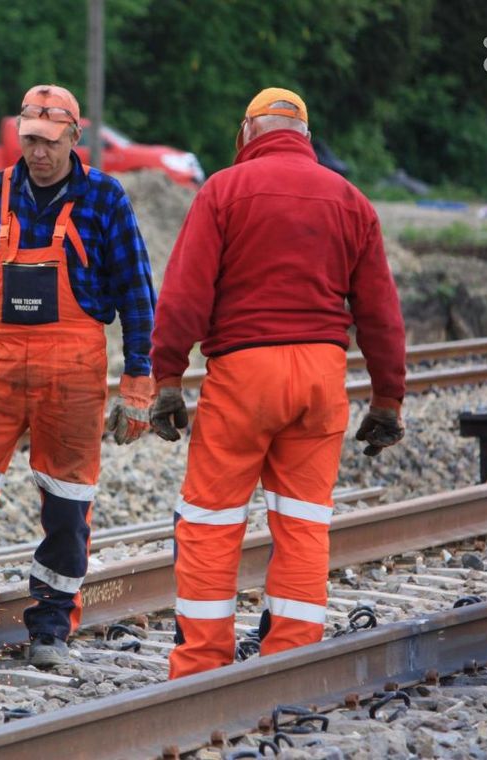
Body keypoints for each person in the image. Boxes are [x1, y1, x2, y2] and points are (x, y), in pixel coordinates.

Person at [149, 88, 406, 679]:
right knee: (303, 522)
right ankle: (291, 662)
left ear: (246, 133)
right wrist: (387, 398)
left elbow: (186, 293)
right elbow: (380, 312)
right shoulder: (351, 200)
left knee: (212, 521)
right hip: (321, 377)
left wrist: (168, 377)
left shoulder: (222, 191)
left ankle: (200, 666)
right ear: (306, 138)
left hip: (244, 376)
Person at [0, 84, 156, 667]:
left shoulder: (105, 197)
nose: (39, 152)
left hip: (73, 370)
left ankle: (51, 626)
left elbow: (137, 294)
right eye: (30, 139)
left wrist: (139, 378)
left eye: (51, 142)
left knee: (67, 499)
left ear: (75, 138)